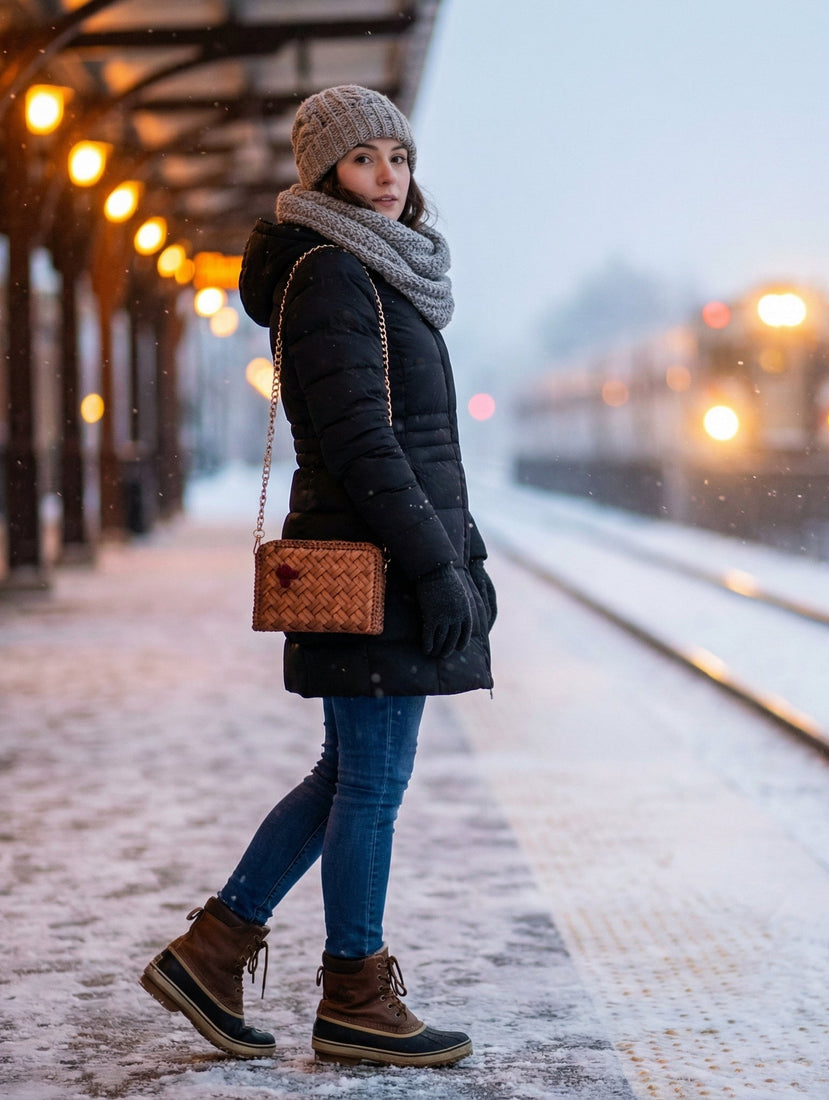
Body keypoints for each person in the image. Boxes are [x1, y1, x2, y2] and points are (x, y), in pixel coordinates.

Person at [140, 85, 495, 1069]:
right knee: (371, 782)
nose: (388, 179)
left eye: (399, 158)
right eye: (364, 159)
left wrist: (457, 553)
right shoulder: (337, 275)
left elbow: (405, 444)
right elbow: (362, 442)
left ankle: (212, 951)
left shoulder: (378, 273)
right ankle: (354, 991)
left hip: (385, 553)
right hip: (371, 563)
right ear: (322, 172)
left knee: (346, 773)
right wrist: (433, 562)